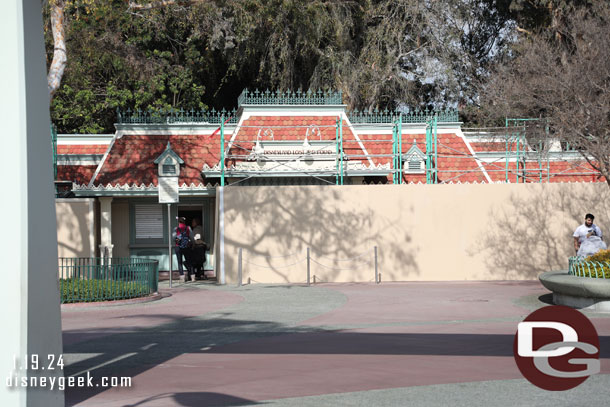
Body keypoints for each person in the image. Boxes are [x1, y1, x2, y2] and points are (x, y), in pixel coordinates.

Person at [173, 217, 193, 283]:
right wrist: (193, 243)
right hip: (186, 247)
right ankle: (192, 276)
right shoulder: (188, 228)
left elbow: (173, 238)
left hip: (178, 247)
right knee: (189, 261)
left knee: (180, 262)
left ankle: (182, 278)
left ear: (179, 222)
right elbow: (192, 238)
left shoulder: (176, 229)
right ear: (184, 222)